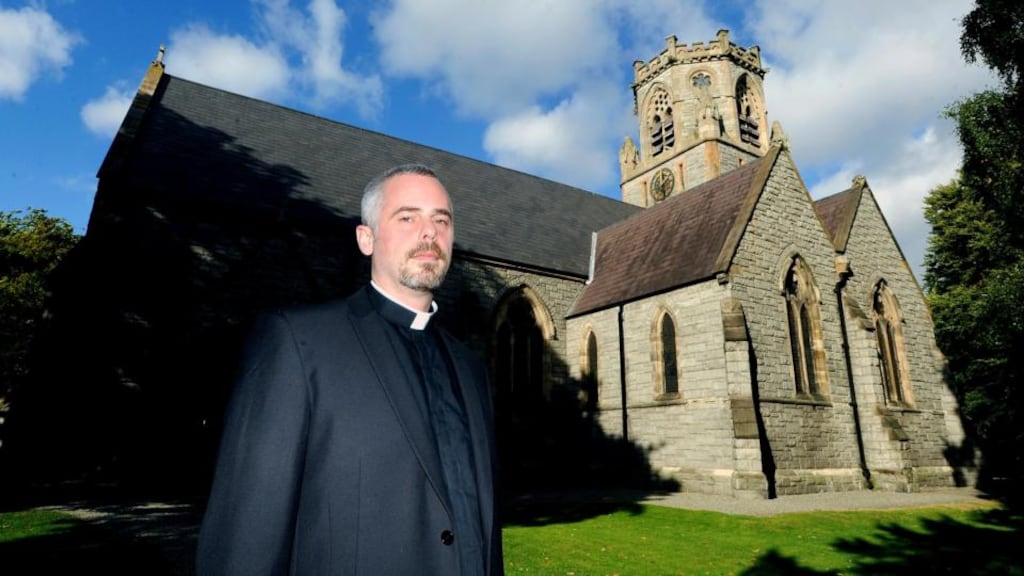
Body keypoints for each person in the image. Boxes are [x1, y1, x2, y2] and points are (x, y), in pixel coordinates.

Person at [196, 164, 503, 575]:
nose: (429, 232)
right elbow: (247, 534)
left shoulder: (471, 370)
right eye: (408, 217)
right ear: (366, 238)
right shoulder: (298, 342)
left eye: (441, 220)